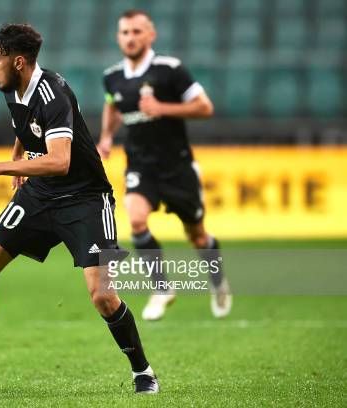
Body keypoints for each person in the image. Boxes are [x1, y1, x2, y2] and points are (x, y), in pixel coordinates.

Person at [0, 23, 159, 394]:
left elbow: (59, 161)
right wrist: (17, 155)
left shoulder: (53, 93)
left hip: (85, 198)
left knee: (103, 295)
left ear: (18, 61)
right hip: (40, 194)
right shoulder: (13, 87)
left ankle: (143, 372)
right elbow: (26, 126)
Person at [98, 10, 232, 321]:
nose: (130, 38)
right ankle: (162, 288)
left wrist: (162, 107)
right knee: (136, 221)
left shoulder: (171, 70)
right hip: (141, 165)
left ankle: (218, 282)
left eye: (136, 32)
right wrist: (106, 137)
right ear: (119, 37)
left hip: (178, 168)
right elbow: (112, 105)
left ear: (150, 35)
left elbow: (205, 107)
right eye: (125, 32)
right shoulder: (112, 76)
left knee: (198, 236)